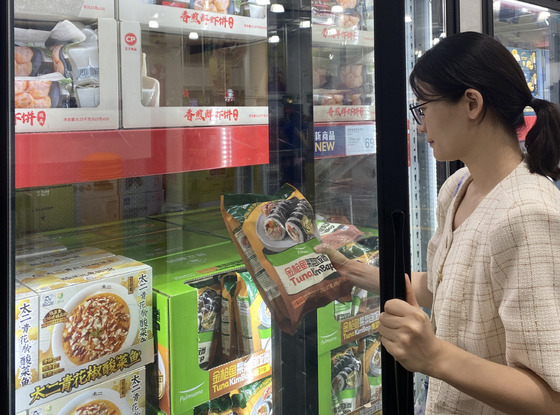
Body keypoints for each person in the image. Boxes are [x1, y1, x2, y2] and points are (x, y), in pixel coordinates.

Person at [315, 31, 560, 414]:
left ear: (472, 103)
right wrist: (360, 272)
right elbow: (451, 284)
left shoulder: (529, 214)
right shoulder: (457, 186)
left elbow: (551, 396)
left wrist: (434, 357)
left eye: (423, 107)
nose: (419, 123)